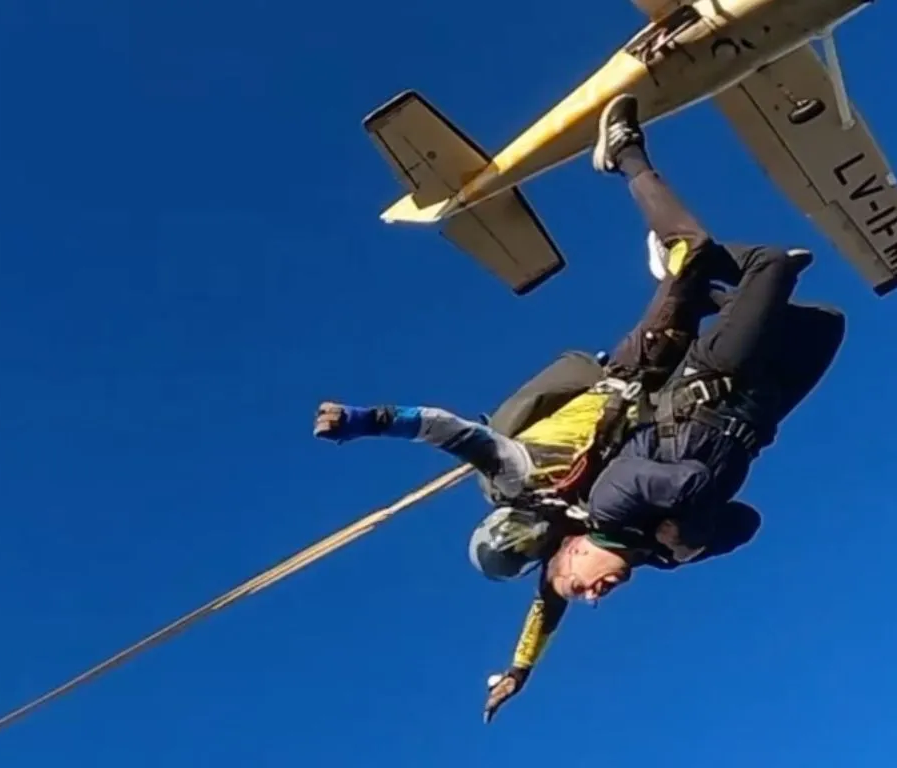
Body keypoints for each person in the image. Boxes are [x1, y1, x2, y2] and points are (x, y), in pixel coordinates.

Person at [314, 93, 846, 722]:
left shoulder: (516, 476)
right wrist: (519, 670)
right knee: (788, 316)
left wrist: (364, 420)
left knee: (696, 253)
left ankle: (624, 158)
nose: (533, 543)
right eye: (529, 551)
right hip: (668, 398)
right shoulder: (576, 532)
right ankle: (709, 289)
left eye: (521, 541)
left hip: (635, 369)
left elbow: (447, 430)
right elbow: (547, 609)